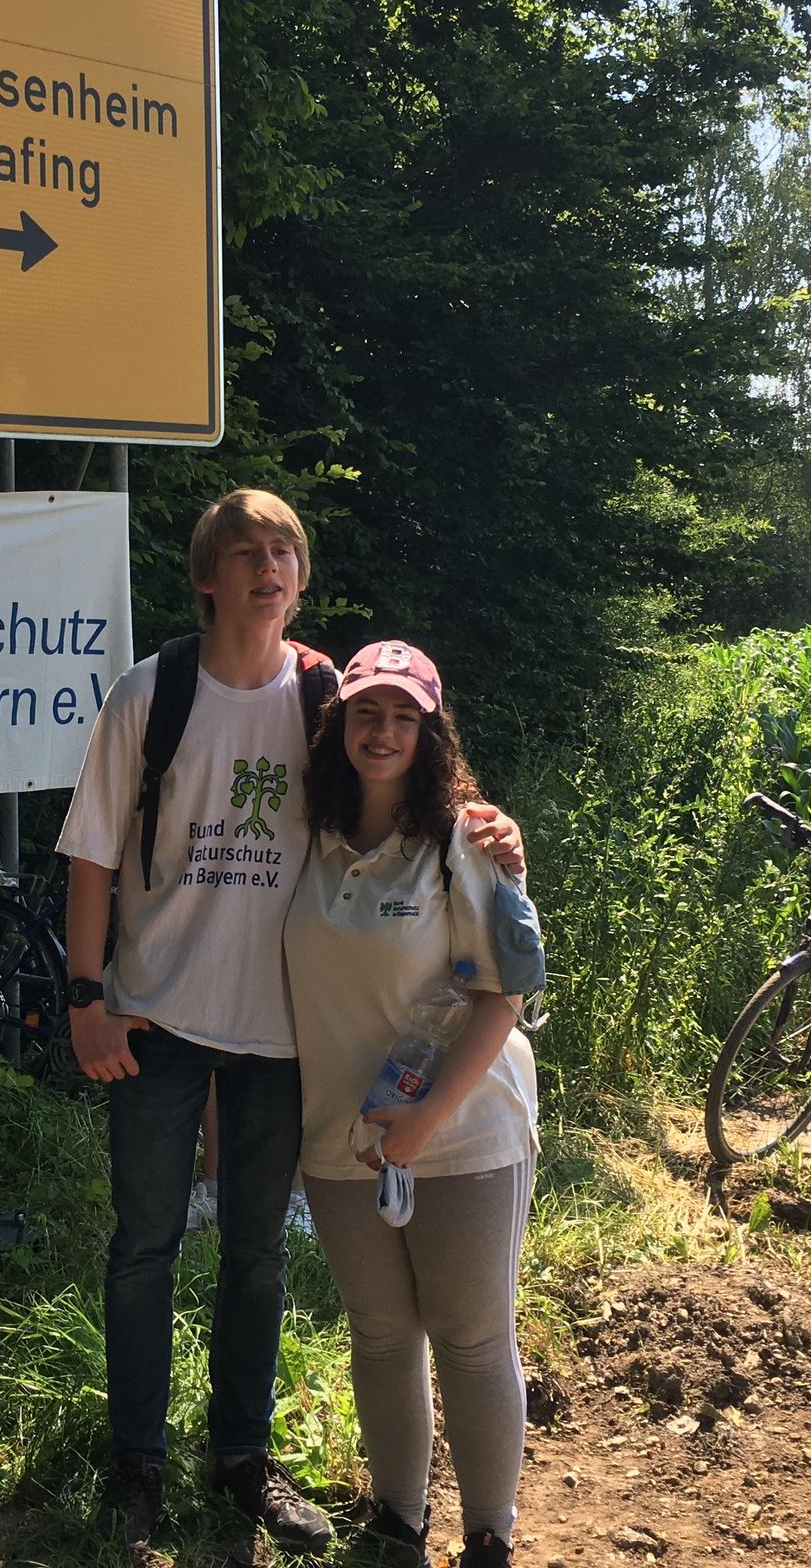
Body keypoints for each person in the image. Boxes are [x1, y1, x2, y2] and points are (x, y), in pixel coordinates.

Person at [55, 490, 523, 1553]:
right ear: (207, 578)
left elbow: (403, 783)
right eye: (244, 553)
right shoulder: (153, 692)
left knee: (257, 1254)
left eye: (284, 553)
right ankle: (135, 1461)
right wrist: (86, 1001)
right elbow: (90, 855)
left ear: (301, 580)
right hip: (156, 1015)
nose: (267, 568)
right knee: (143, 1245)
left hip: (283, 1035)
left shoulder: (323, 693)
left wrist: (491, 831)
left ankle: (241, 1460)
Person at [288, 641, 541, 1568]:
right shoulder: (302, 835)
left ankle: (489, 1539)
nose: (382, 730)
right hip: (340, 1137)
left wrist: (425, 1119)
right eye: (366, 713)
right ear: (339, 726)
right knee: (381, 1333)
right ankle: (397, 1521)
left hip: (467, 1132)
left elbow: (505, 991)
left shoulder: (463, 843)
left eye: (403, 716)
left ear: (430, 731)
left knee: (473, 1339)